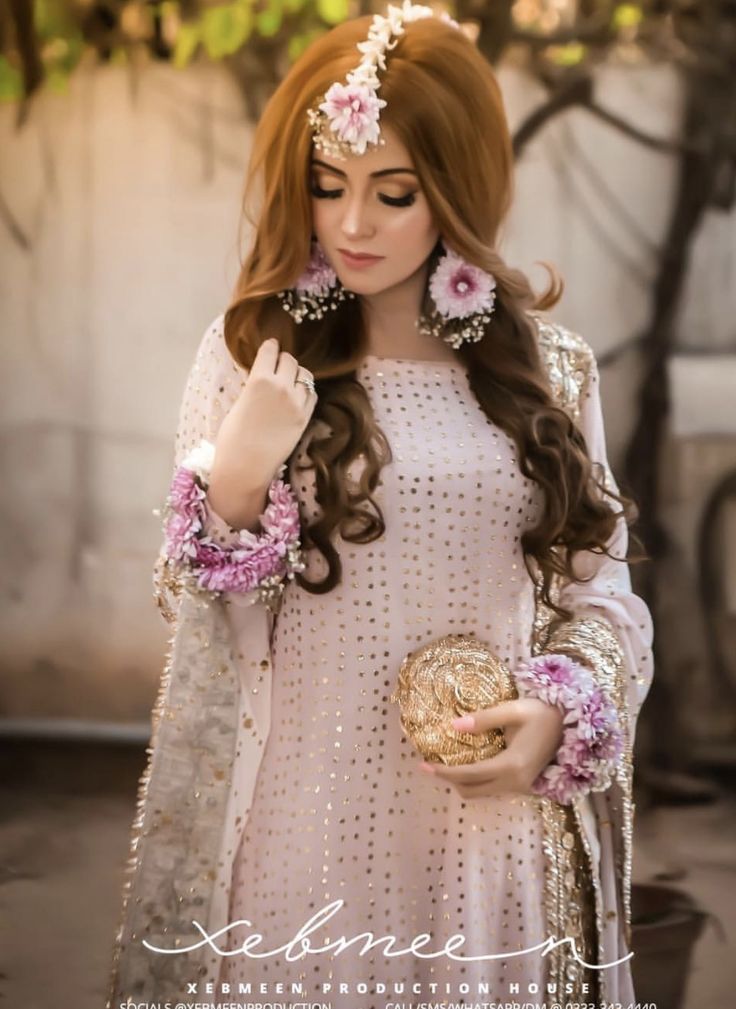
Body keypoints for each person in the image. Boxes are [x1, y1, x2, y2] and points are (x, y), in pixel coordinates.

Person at [106, 4, 654, 1007]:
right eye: (328, 186)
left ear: (458, 187)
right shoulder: (254, 359)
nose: (352, 224)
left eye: (393, 193)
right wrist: (239, 469)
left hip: (486, 839)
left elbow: (606, 603)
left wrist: (554, 714)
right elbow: (193, 616)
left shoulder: (552, 372)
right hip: (299, 835)